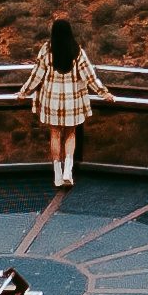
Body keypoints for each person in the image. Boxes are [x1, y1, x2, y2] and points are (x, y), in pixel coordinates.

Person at [29, 17, 101, 192]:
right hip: (72, 99)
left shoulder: (47, 50)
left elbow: (36, 75)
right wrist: (103, 91)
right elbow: (89, 75)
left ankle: (57, 174)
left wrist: (23, 91)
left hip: (51, 98)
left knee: (55, 134)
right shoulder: (76, 50)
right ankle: (68, 171)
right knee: (70, 133)